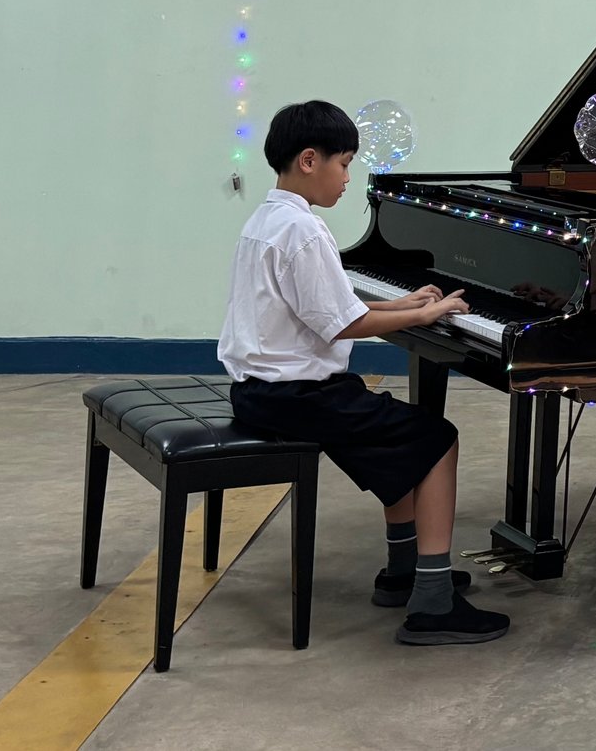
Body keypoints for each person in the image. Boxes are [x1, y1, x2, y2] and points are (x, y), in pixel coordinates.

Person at [216, 100, 510, 645]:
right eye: (344, 164)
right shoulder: (305, 233)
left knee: (403, 442)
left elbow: (330, 307)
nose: (348, 178)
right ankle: (432, 602)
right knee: (438, 441)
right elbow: (342, 323)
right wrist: (423, 312)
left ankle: (405, 572)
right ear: (310, 160)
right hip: (302, 398)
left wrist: (405, 303)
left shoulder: (268, 220)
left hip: (263, 393)